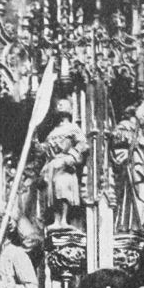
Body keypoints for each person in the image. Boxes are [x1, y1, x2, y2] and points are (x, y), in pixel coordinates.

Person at [38, 98, 89, 231]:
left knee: (62, 189)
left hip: (65, 165)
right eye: (58, 104)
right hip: (52, 165)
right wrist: (37, 144)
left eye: (62, 104)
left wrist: (71, 157)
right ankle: (56, 220)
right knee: (53, 193)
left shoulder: (72, 128)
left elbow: (83, 144)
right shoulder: (53, 131)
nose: (59, 106)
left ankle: (64, 220)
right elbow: (46, 149)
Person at [111, 101, 144, 234]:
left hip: (142, 172)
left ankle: (137, 228)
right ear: (134, 108)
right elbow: (116, 138)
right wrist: (136, 141)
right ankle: (130, 228)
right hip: (132, 171)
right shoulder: (125, 125)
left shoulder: (140, 131)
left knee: (143, 199)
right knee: (133, 198)